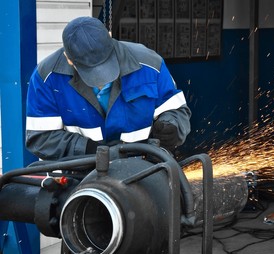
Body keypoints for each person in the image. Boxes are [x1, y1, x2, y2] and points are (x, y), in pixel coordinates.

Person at [25, 16, 191, 160]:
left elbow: (178, 112)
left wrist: (171, 126)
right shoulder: (47, 77)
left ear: (110, 37)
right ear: (68, 58)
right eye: (91, 72)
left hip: (143, 169)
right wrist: (89, 150)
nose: (100, 81)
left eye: (105, 66)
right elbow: (40, 138)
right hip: (78, 175)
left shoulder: (150, 65)